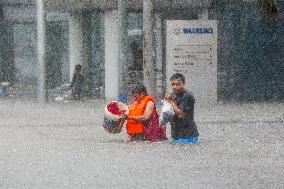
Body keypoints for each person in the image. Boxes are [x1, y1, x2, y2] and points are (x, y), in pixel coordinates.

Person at [165, 73, 199, 144]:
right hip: (175, 133)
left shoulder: (188, 95)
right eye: (173, 84)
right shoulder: (173, 94)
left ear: (184, 83)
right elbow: (169, 111)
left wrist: (171, 101)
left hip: (188, 135)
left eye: (178, 84)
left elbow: (181, 115)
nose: (175, 87)